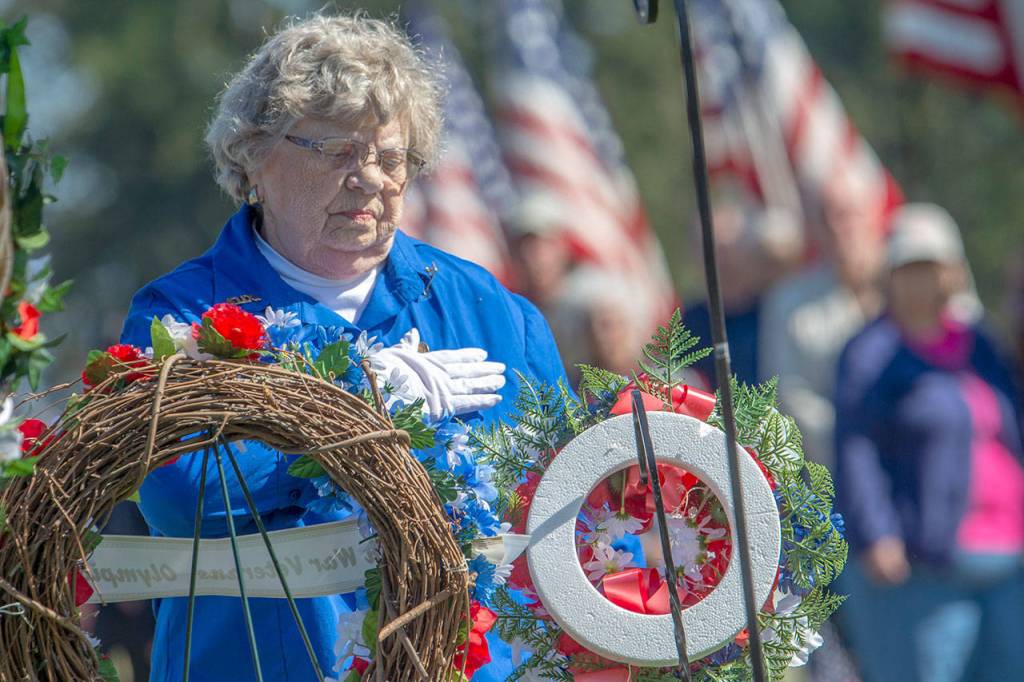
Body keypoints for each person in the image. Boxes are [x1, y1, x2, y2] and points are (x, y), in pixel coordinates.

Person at [118, 14, 567, 681]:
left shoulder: (493, 313)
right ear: (253, 155)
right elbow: (179, 492)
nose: (370, 180)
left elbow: (564, 510)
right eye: (336, 152)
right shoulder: (182, 314)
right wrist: (354, 406)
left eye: (390, 158)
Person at [834, 204, 1024, 682]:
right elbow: (856, 449)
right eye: (910, 268)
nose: (924, 281)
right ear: (889, 275)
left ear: (956, 273)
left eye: (933, 267)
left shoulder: (980, 343)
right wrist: (876, 531)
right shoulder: (870, 353)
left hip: (1009, 556)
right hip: (930, 561)